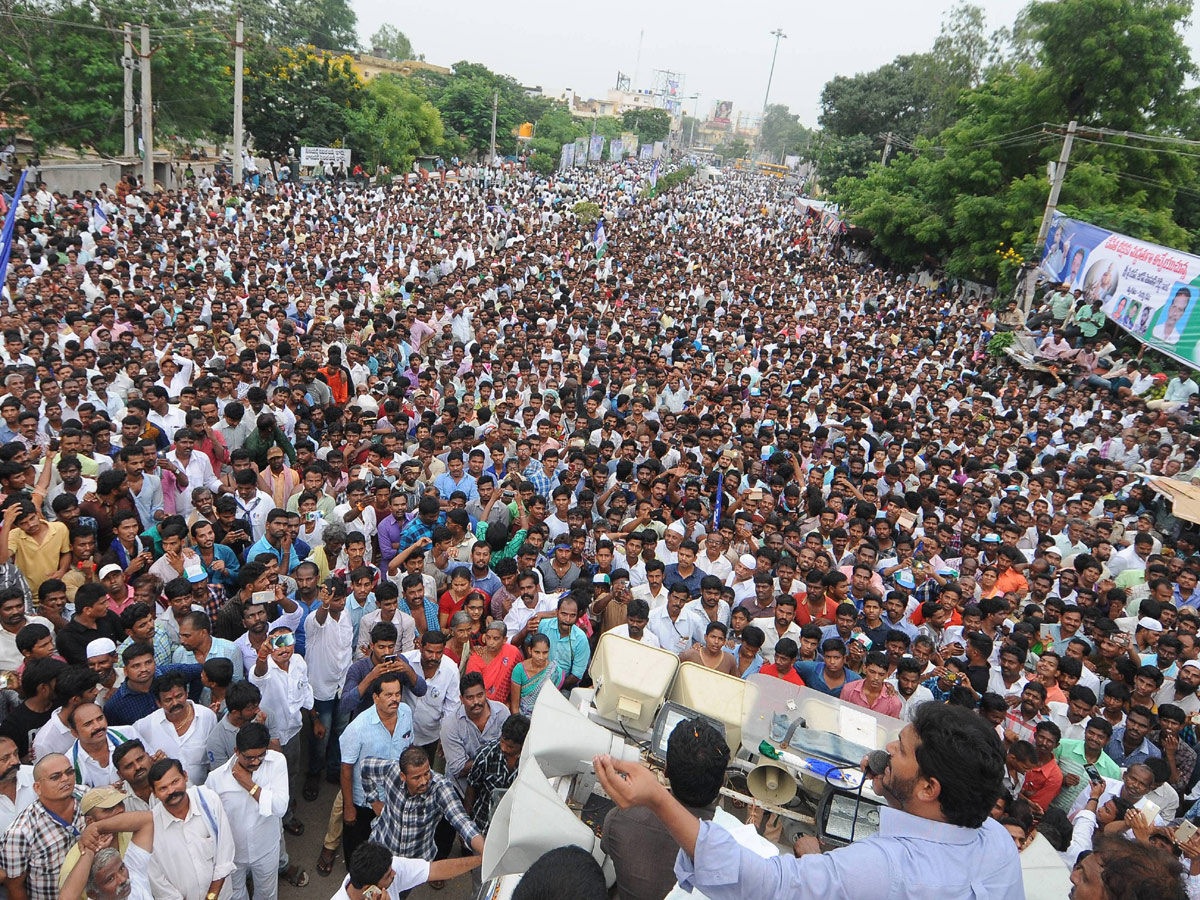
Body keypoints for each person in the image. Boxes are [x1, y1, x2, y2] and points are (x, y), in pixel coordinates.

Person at [594, 702, 1023, 900]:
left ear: (930, 789)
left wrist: (656, 798)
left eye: (903, 751)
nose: (888, 748)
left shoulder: (882, 868)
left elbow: (766, 885)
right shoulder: (998, 844)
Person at [603, 717, 728, 900]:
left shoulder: (619, 819)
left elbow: (607, 849)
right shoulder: (731, 844)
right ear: (723, 782)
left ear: (666, 770)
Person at [205, 722, 293, 900]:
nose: (256, 762)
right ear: (237, 751)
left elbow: (280, 807)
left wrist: (250, 785)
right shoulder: (216, 779)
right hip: (233, 853)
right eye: (249, 757)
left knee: (267, 894)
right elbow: (210, 820)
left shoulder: (276, 762)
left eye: (261, 755)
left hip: (266, 847)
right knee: (236, 894)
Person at [359, 746, 484, 860]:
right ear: (403, 776)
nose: (424, 781)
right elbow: (365, 765)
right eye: (416, 778)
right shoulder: (391, 771)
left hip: (415, 860)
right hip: (381, 848)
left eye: (426, 773)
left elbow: (462, 821)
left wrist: (484, 851)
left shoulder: (440, 788)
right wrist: (373, 801)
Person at [146, 757, 236, 900]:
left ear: (185, 776)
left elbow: (225, 852)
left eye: (175, 782)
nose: (171, 791)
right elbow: (157, 880)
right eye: (163, 788)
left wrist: (211, 897)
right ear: (154, 792)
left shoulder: (208, 800)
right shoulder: (150, 826)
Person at [0, 752, 84, 900]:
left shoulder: (87, 797)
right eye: (55, 777)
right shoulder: (19, 833)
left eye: (69, 772)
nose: (66, 779)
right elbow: (15, 888)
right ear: (37, 788)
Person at [328, 840, 481, 900]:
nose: (394, 873)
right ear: (370, 888)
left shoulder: (390, 867)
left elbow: (435, 869)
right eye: (388, 875)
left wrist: (482, 860)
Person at [509, 633, 565, 716]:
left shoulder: (555, 672)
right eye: (537, 652)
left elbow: (552, 703)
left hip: (545, 715)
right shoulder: (519, 670)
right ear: (529, 650)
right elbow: (514, 706)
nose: (541, 657)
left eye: (545, 652)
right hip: (522, 716)